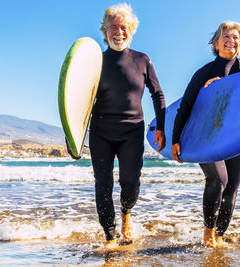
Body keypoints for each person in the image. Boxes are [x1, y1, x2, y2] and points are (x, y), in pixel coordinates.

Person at [172, 21, 240, 248]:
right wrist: (176, 139)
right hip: (207, 136)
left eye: (236, 37)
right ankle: (208, 235)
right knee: (217, 180)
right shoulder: (204, 73)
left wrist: (226, 87)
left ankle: (219, 236)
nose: (231, 41)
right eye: (226, 37)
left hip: (236, 136)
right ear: (216, 43)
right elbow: (187, 105)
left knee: (231, 190)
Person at [86, 3, 165, 249]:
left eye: (123, 27)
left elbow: (157, 94)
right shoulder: (96, 61)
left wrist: (161, 127)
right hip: (101, 130)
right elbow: (79, 98)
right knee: (103, 185)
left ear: (131, 30)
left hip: (132, 131)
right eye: (113, 27)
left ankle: (126, 212)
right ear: (105, 31)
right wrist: (73, 134)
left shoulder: (142, 60)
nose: (118, 32)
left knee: (130, 183)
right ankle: (110, 236)